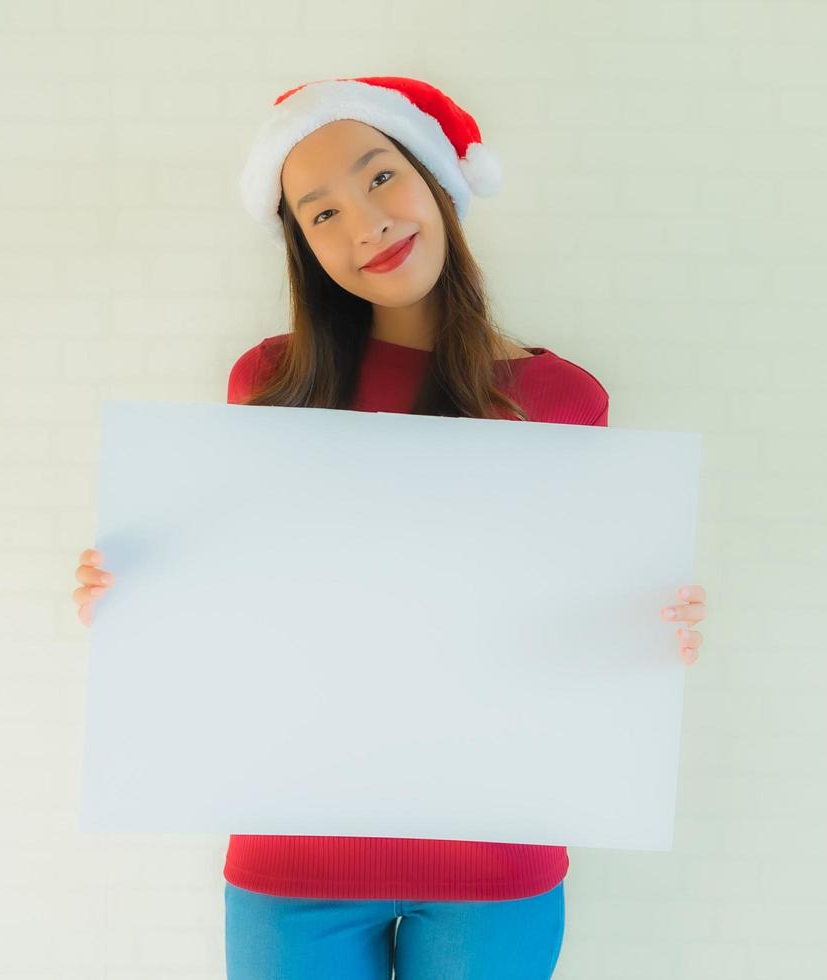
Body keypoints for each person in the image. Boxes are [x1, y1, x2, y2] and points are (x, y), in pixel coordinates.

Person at [69, 75, 708, 980]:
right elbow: (242, 595)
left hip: (494, 847)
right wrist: (136, 598)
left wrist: (649, 631)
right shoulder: (269, 386)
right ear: (302, 246)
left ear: (439, 182)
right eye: (319, 213)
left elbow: (572, 617)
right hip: (294, 842)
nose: (363, 224)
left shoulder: (560, 401)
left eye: (379, 179)